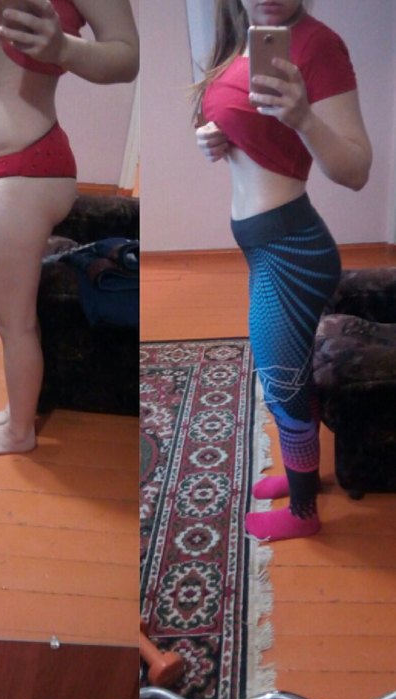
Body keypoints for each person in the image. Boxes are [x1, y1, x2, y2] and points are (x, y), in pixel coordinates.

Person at [193, 0, 371, 541]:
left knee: (281, 383)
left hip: (291, 252)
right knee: (291, 374)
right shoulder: (238, 40)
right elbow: (252, 133)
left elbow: (356, 170)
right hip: (264, 247)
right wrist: (216, 137)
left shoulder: (319, 46)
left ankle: (302, 513)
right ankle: (305, 479)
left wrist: (304, 117)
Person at [0, 0, 139, 455]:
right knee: (5, 314)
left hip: (23, 168)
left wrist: (62, 48)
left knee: (15, 322)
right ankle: (16, 411)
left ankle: (19, 432)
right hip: (1, 166)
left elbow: (127, 57)